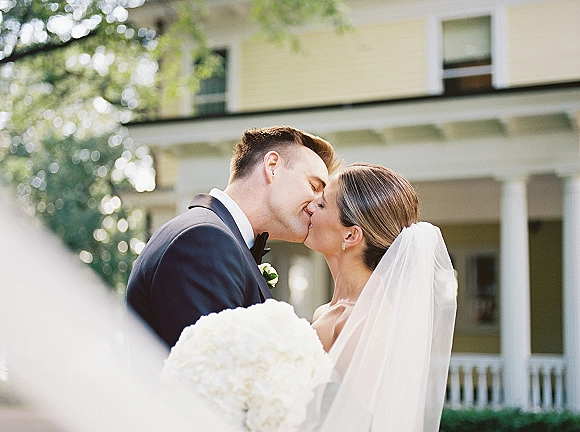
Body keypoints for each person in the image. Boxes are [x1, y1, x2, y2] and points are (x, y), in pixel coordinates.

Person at [126, 126, 339, 347]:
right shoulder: (204, 241)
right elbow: (209, 369)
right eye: (314, 186)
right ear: (272, 166)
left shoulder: (214, 237)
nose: (317, 204)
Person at [302, 163, 457, 432]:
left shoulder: (365, 322)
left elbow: (370, 421)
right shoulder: (327, 311)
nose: (310, 206)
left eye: (323, 204)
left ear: (351, 235)